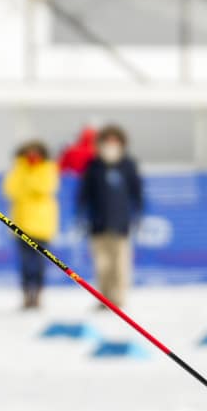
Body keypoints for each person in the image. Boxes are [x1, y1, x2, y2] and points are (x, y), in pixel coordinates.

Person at [78, 123, 143, 306]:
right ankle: (103, 299)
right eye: (107, 140)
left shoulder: (128, 165)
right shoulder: (94, 166)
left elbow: (137, 192)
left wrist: (138, 214)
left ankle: (119, 298)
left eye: (115, 141)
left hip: (121, 223)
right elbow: (84, 193)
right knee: (101, 265)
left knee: (120, 265)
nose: (111, 144)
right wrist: (81, 214)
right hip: (98, 223)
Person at [1, 140, 58, 309]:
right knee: (25, 264)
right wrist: (26, 173)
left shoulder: (48, 168)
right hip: (21, 225)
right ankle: (27, 295)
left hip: (42, 226)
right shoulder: (18, 169)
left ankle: (38, 295)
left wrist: (29, 178)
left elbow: (43, 188)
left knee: (39, 264)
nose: (32, 156)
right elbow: (10, 189)